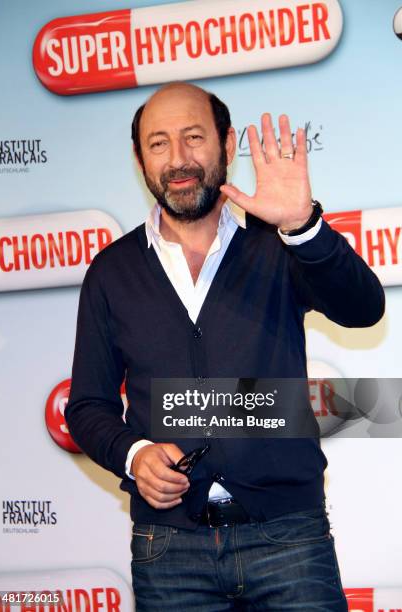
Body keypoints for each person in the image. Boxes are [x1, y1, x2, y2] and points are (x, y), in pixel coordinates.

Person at [65, 82, 385, 611]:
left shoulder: (278, 248)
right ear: (140, 158)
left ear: (227, 143)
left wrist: (304, 229)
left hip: (289, 540)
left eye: (194, 137)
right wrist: (134, 454)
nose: (179, 159)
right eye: (159, 143)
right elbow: (86, 406)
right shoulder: (111, 273)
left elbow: (364, 308)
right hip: (168, 551)